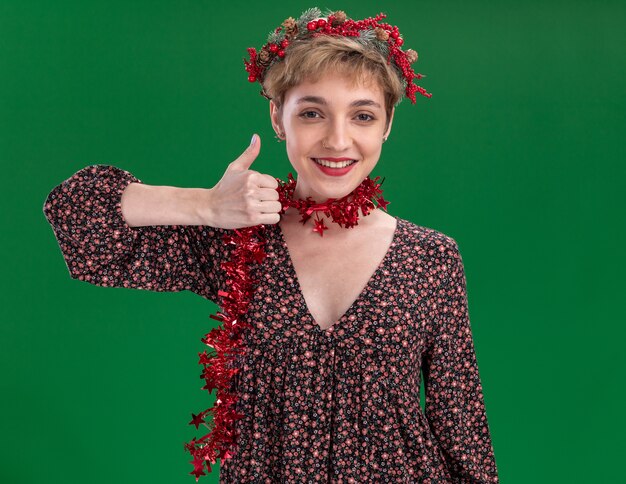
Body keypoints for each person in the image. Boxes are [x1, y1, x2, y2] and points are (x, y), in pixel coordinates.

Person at [43, 7, 499, 483]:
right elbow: (76, 215)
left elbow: (460, 424)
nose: (338, 139)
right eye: (312, 113)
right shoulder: (237, 242)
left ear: (386, 126)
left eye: (362, 115)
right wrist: (205, 207)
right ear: (278, 118)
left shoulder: (431, 258)